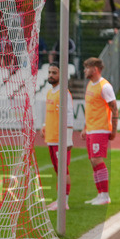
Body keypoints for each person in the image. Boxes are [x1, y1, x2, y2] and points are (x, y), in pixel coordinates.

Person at [79, 57, 118, 205]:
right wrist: (85, 127)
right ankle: (100, 194)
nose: (84, 70)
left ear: (94, 69)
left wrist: (113, 130)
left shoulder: (105, 86)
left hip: (100, 129)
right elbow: (91, 108)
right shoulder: (90, 84)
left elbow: (114, 109)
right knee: (93, 161)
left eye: (86, 67)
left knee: (97, 160)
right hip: (91, 129)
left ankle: (105, 196)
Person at [41, 63, 73, 210]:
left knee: (63, 170)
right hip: (51, 138)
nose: (51, 75)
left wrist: (68, 138)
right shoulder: (50, 92)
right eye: (49, 72)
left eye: (54, 72)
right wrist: (44, 125)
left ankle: (64, 201)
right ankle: (60, 199)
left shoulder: (64, 93)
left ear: (61, 75)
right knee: (57, 170)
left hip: (60, 139)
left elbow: (69, 116)